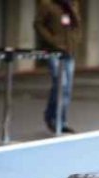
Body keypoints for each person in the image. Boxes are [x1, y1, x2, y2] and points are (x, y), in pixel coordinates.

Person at [34, 0, 81, 133]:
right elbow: (38, 24)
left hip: (69, 51)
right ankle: (53, 119)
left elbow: (76, 25)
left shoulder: (72, 4)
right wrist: (53, 40)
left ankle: (61, 120)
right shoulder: (47, 5)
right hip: (54, 51)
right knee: (61, 84)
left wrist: (76, 40)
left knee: (67, 88)